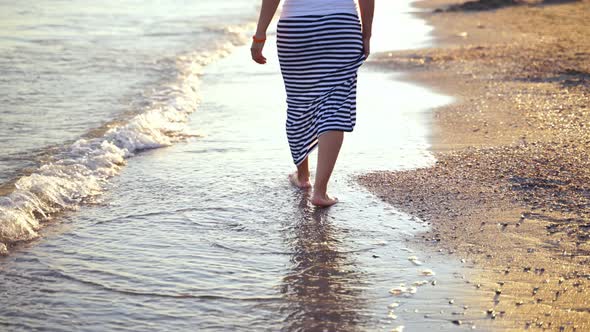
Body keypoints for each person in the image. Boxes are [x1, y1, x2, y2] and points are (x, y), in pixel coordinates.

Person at [251, 0, 374, 207]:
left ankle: (302, 176)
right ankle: (320, 191)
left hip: (296, 27)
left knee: (299, 103)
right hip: (341, 25)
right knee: (336, 104)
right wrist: (366, 33)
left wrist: (260, 35)